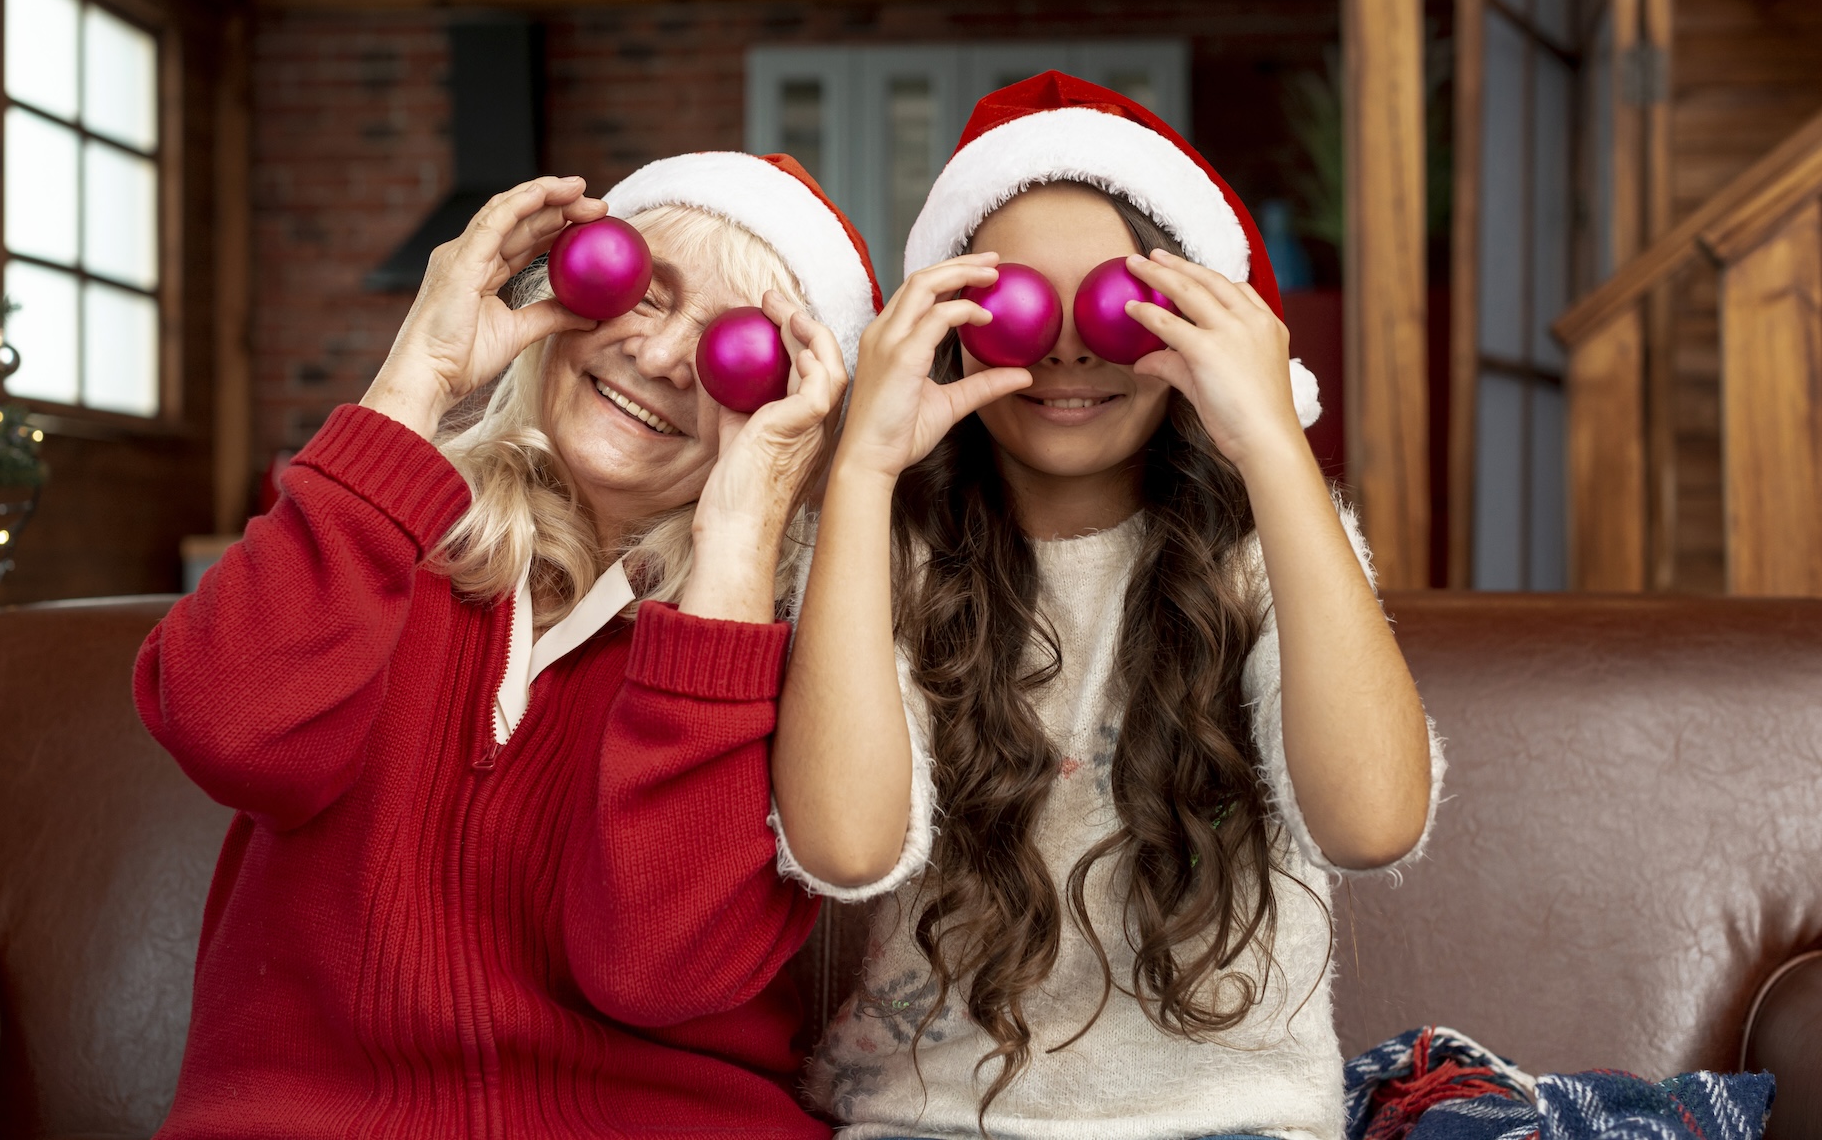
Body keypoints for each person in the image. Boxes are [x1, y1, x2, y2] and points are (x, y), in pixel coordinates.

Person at [134, 153, 882, 1138]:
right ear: (567, 292)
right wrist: (419, 375)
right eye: (638, 294)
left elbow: (657, 969)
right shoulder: (376, 550)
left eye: (733, 351)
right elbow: (225, 728)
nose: (660, 361)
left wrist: (740, 539)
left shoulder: (803, 663)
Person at [772, 73, 1445, 1140]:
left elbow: (1370, 824)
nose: (1065, 348)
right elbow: (844, 851)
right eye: (1014, 304)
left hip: (1231, 1122)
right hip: (930, 1124)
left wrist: (1268, 441)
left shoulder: (1261, 545)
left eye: (1112, 304)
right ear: (949, 326)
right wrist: (860, 471)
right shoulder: (882, 554)